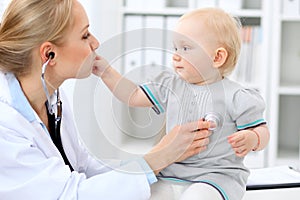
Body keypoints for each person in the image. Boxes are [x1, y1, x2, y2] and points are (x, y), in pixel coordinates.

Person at [0, 0, 213, 199]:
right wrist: (157, 158)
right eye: (85, 36)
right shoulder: (5, 124)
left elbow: (84, 166)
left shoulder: (52, 98)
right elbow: (68, 194)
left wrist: (159, 159)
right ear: (49, 54)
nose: (95, 42)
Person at [93, 8, 270, 200]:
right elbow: (133, 95)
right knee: (143, 194)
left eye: (185, 48)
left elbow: (262, 130)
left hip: (215, 177)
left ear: (217, 57)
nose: (176, 55)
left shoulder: (237, 96)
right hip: (170, 171)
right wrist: (107, 72)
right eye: (175, 48)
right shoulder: (170, 85)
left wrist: (253, 138)